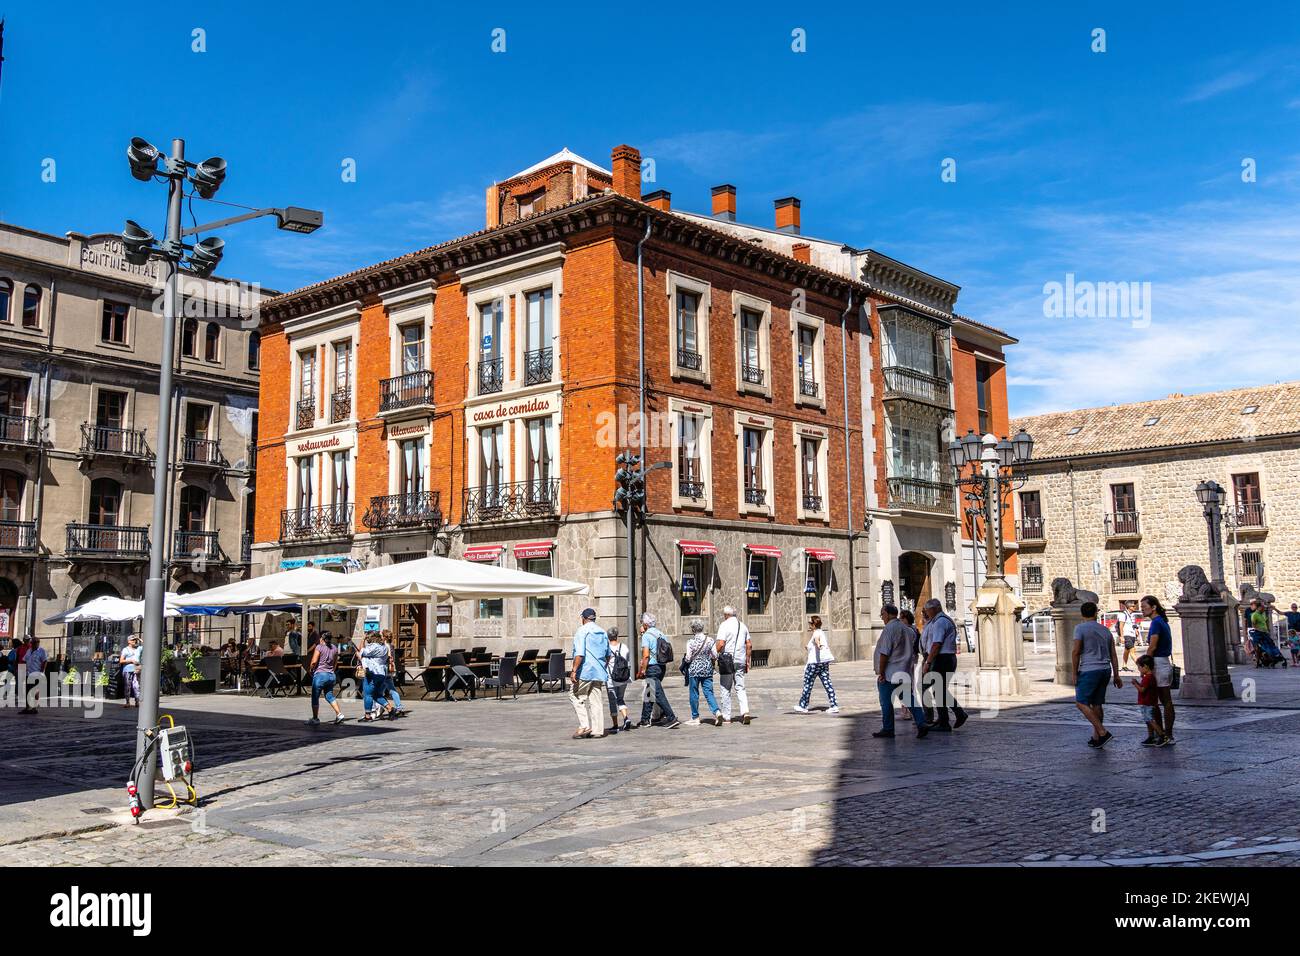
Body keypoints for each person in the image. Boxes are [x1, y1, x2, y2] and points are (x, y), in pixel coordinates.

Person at [872, 604, 930, 738]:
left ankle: (888, 728)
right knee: (909, 699)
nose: (882, 618)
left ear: (887, 613)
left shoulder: (889, 629)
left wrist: (881, 672)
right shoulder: (907, 629)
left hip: (890, 672)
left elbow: (884, 653)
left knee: (886, 701)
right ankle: (921, 723)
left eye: (882, 615)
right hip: (904, 670)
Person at [1072, 601, 1123, 748]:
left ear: (1082, 614)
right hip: (1105, 669)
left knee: (1081, 702)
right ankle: (1097, 737)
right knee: (1097, 703)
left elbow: (1076, 651)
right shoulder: (1105, 630)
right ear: (1096, 613)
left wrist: (1074, 672)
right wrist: (1117, 674)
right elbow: (1113, 654)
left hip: (1089, 669)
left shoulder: (1080, 629)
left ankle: (1102, 732)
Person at [920, 599, 967, 730]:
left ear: (934, 609)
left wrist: (928, 662)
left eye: (926, 610)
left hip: (942, 659)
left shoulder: (940, 622)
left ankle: (948, 720)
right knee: (939, 690)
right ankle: (947, 718)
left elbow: (936, 644)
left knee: (933, 689)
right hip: (944, 658)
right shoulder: (937, 620)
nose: (925, 612)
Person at [569, 608, 610, 739]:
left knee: (575, 695)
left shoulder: (582, 631)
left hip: (585, 671)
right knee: (596, 700)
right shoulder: (602, 632)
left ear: (583, 618)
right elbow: (608, 655)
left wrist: (574, 670)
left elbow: (580, 653)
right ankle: (597, 730)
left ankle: (584, 725)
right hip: (599, 671)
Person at [1142, 595, 1176, 746]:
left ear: (1154, 607)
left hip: (1158, 663)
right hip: (1162, 662)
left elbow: (1152, 646)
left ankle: (1166, 734)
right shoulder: (1161, 621)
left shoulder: (1156, 623)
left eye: (1144, 606)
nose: (1142, 609)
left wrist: (1145, 664)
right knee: (1156, 700)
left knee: (1164, 700)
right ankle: (1160, 733)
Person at [636, 612, 680, 729]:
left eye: (642, 623)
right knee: (649, 692)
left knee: (657, 693)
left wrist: (643, 670)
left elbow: (646, 655)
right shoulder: (661, 634)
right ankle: (645, 719)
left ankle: (671, 717)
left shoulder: (647, 636)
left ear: (645, 624)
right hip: (661, 667)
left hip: (652, 667)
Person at [714, 605, 752, 725]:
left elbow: (720, 644)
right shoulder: (743, 626)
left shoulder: (724, 625)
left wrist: (716, 653)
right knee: (740, 687)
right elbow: (749, 645)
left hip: (727, 661)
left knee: (726, 688)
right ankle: (745, 712)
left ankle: (727, 716)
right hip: (740, 660)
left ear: (726, 615)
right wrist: (747, 660)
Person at [795, 616, 839, 714]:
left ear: (813, 624)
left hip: (814, 664)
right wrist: (810, 647)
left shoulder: (816, 633)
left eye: (810, 623)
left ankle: (803, 705)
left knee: (808, 683)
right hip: (823, 663)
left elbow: (816, 639)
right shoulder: (822, 632)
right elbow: (815, 643)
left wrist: (818, 644)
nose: (809, 625)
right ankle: (834, 705)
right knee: (827, 683)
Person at [683, 620, 723, 726]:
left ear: (693, 629)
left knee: (694, 693)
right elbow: (715, 655)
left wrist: (687, 661)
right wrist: (706, 657)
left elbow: (688, 658)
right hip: (707, 669)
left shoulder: (690, 642)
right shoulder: (710, 640)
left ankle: (695, 717)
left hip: (694, 670)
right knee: (709, 692)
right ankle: (717, 712)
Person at [306, 630, 347, 726]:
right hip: (331, 675)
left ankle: (315, 718)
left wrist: (311, 670)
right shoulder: (334, 648)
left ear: (322, 639)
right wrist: (331, 670)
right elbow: (335, 662)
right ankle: (339, 714)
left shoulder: (319, 647)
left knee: (315, 697)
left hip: (320, 675)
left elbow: (314, 661)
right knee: (329, 695)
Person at [359, 632, 397, 721]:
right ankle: (390, 709)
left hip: (372, 673)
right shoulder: (383, 647)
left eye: (368, 638)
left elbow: (362, 651)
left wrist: (362, 640)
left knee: (367, 694)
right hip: (382, 673)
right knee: (376, 694)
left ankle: (367, 716)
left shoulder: (373, 647)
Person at [1131, 654, 1164, 747]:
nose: (1139, 670)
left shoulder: (1147, 678)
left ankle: (1162, 735)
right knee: (1148, 720)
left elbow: (1142, 690)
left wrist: (1135, 684)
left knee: (1150, 720)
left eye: (1139, 667)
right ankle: (1151, 737)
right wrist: (1138, 682)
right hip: (1149, 702)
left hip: (1148, 702)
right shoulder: (1149, 677)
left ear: (1145, 666)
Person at [605, 626, 633, 733]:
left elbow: (605, 662)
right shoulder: (624, 647)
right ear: (617, 636)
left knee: (612, 701)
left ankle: (615, 725)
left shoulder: (607, 648)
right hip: (623, 678)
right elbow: (628, 661)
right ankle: (626, 718)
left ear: (608, 637)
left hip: (611, 678)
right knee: (620, 699)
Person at [381, 630, 407, 717]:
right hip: (390, 670)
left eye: (382, 636)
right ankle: (399, 708)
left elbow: (384, 659)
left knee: (377, 692)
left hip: (384, 670)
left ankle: (378, 709)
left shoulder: (384, 646)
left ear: (384, 637)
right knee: (392, 690)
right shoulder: (391, 646)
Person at [21, 637, 47, 714]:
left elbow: (45, 661)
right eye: (33, 642)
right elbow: (25, 660)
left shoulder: (41, 651)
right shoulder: (29, 651)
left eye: (37, 642)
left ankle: (34, 708)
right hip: (29, 673)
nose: (35, 644)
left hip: (37, 673)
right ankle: (28, 707)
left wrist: (42, 672)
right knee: (28, 691)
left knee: (35, 691)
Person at [119, 635, 142, 708]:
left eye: (135, 640)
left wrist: (140, 639)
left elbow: (147, 646)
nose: (134, 641)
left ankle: (137, 702)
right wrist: (131, 660)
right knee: (127, 686)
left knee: (137, 686)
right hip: (127, 670)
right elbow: (121, 660)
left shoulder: (138, 648)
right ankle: (127, 702)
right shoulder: (126, 649)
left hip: (136, 669)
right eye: (132, 640)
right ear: (128, 641)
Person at [1115, 600, 1139, 671]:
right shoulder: (1123, 614)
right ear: (1129, 607)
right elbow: (1121, 626)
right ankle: (1141, 666)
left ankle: (1124, 666)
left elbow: (1132, 624)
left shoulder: (1131, 615)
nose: (1135, 607)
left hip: (1132, 635)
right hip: (1127, 635)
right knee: (1133, 651)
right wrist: (1121, 636)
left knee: (1127, 650)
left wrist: (1136, 630)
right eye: (1133, 606)